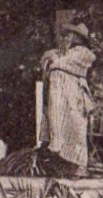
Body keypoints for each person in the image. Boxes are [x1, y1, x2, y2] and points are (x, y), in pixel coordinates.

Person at [39, 23, 96, 175]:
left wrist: (53, 60)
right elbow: (48, 63)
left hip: (74, 97)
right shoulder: (64, 53)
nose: (67, 38)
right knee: (60, 128)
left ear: (78, 37)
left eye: (70, 35)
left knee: (76, 129)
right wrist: (51, 59)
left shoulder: (84, 53)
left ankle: (78, 168)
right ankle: (64, 166)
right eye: (66, 35)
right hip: (61, 96)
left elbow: (59, 65)